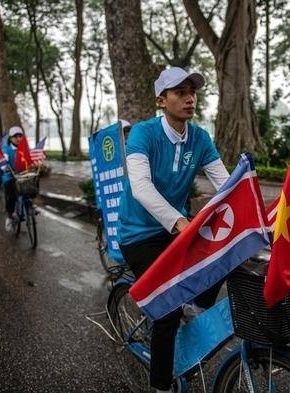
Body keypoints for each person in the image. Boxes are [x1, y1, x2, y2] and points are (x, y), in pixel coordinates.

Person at [117, 67, 230, 393]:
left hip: (176, 230)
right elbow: (140, 186)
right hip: (138, 234)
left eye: (192, 91)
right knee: (166, 314)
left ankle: (191, 306)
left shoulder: (199, 137)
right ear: (161, 100)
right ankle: (161, 386)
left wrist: (258, 219)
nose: (189, 98)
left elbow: (225, 185)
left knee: (224, 252)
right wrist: (179, 221)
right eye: (180, 92)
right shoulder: (143, 134)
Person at [1, 126, 25, 232]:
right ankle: (9, 216)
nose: (18, 138)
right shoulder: (6, 149)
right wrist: (4, 164)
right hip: (9, 175)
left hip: (21, 174)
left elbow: (29, 157)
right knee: (11, 196)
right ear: (10, 138)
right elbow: (4, 158)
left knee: (33, 181)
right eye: (16, 136)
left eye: (20, 136)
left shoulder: (24, 148)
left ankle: (30, 204)